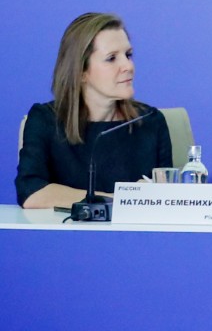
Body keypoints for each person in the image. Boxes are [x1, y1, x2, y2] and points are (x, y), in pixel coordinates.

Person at [16, 13, 174, 209]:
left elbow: (166, 199)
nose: (128, 66)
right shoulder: (45, 120)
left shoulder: (151, 121)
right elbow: (32, 193)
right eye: (111, 58)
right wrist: (119, 199)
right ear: (81, 71)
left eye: (128, 55)